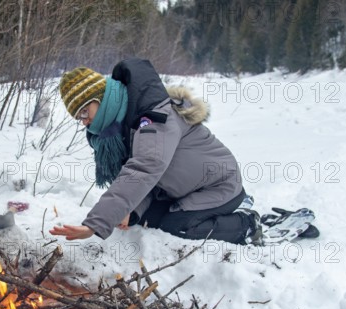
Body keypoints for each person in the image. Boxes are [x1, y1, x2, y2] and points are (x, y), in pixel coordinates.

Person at [49, 58, 261, 245]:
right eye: (79, 117)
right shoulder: (121, 126)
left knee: (177, 227)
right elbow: (145, 181)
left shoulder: (153, 116)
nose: (85, 121)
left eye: (85, 111)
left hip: (218, 185)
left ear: (101, 97)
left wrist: (95, 224)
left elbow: (144, 169)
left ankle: (246, 224)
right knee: (145, 219)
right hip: (180, 189)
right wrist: (131, 211)